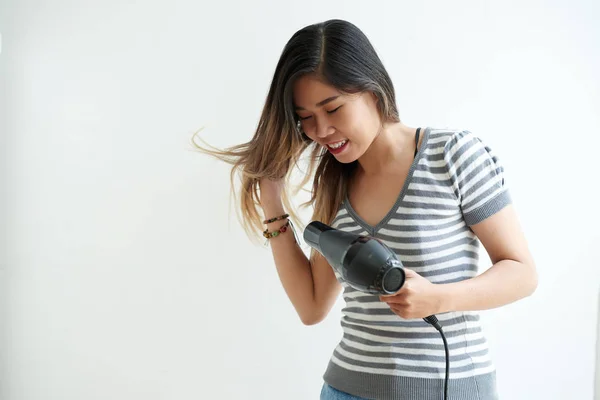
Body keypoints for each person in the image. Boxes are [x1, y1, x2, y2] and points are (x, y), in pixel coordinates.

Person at [194, 19, 538, 400]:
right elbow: (311, 307)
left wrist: (439, 298)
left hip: (448, 388)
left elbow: (522, 273)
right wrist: (272, 205)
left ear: (373, 91)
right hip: (346, 389)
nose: (320, 130)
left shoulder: (452, 155)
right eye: (305, 117)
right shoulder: (333, 183)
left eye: (333, 109)